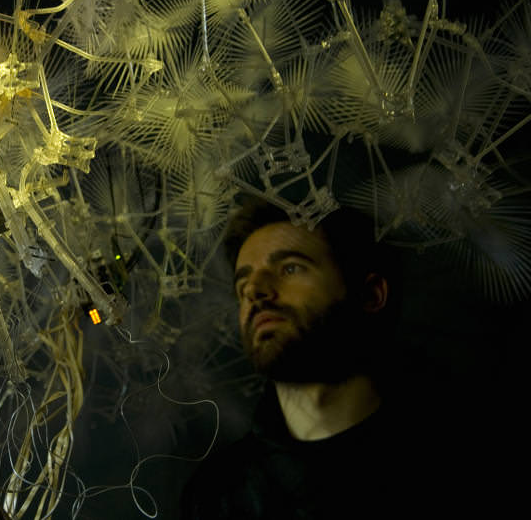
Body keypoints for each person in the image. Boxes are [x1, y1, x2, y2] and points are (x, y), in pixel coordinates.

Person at [179, 197, 464, 519]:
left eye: (290, 268)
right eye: (242, 285)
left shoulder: (457, 452)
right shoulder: (216, 497)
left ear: (371, 294)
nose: (255, 291)